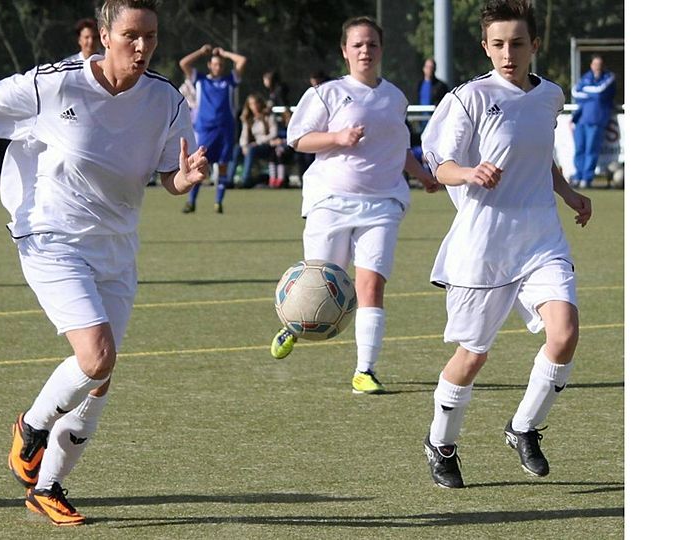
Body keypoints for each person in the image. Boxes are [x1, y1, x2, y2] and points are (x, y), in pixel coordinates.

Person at [0, 0, 208, 526]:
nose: (142, 47)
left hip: (117, 245)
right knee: (96, 357)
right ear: (102, 35)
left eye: (151, 36)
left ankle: (47, 486)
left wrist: (185, 180)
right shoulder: (55, 83)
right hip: (50, 235)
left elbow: (170, 173)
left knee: (101, 377)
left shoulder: (166, 99)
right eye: (130, 35)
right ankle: (30, 426)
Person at [418, 0, 593, 489]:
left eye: (517, 43)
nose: (508, 53)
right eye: (498, 44)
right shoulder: (469, 98)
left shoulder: (550, 96)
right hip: (484, 246)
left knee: (564, 332)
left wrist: (568, 192)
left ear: (535, 45)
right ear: (485, 47)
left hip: (541, 239)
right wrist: (469, 172)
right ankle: (441, 443)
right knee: (472, 356)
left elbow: (539, 159)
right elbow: (439, 164)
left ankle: (524, 428)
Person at [269, 16, 440, 397]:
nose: (365, 51)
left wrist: (423, 174)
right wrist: (338, 137)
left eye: (372, 44)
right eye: (358, 45)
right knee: (321, 282)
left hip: (382, 204)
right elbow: (297, 138)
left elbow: (397, 148)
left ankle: (365, 370)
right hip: (330, 201)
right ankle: (294, 322)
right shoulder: (327, 94)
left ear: (381, 50)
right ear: (345, 51)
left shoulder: (395, 97)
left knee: (370, 284)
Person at [179, 43, 247, 213]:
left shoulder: (230, 81)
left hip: (225, 130)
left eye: (221, 64)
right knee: (198, 165)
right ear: (210, 65)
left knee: (222, 166)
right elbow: (183, 63)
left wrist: (225, 53)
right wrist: (201, 52)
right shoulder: (201, 80)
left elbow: (242, 60)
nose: (218, 67)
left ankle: (218, 202)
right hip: (205, 130)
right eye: (215, 64)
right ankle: (191, 201)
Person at [570, 54, 616, 188]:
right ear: (591, 65)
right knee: (579, 149)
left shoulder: (609, 77)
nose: (597, 67)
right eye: (595, 64)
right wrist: (592, 95)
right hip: (581, 119)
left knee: (591, 150)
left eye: (599, 64)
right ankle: (578, 176)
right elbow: (575, 92)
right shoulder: (586, 77)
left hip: (596, 119)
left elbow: (600, 92)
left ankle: (587, 178)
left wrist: (586, 92)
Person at [232, 93, 286, 188]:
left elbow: (274, 133)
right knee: (237, 149)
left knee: (251, 149)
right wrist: (244, 146)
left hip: (266, 145)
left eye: (256, 103)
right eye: (251, 104)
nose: (254, 106)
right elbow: (244, 135)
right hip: (252, 146)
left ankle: (246, 180)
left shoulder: (268, 116)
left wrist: (258, 142)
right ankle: (229, 180)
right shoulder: (248, 118)